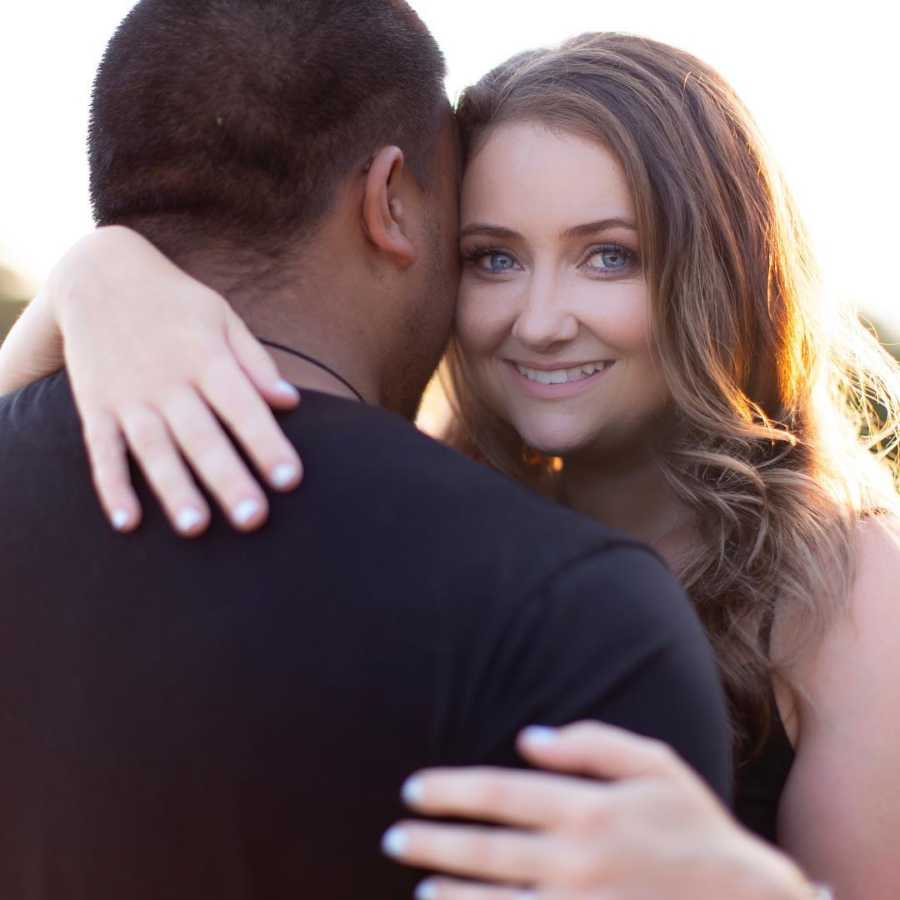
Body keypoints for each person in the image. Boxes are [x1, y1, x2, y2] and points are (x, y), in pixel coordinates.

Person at [2, 26, 891, 900]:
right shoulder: (444, 524)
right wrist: (90, 275)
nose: (539, 320)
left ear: (723, 269)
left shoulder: (846, 583)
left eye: (608, 256)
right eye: (492, 258)